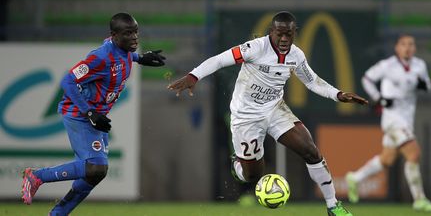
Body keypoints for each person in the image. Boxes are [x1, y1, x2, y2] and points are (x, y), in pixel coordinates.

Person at [168, 11, 368, 216]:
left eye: (288, 34)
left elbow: (311, 81)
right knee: (252, 175)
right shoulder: (255, 48)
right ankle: (237, 165)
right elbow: (219, 60)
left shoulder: (296, 55)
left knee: (311, 151)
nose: (283, 39)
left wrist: (338, 94)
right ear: (271, 32)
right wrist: (194, 76)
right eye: (279, 34)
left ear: (294, 33)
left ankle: (333, 206)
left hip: (275, 109)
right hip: (246, 117)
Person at [20, 12, 166, 216]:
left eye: (135, 32)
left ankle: (57, 214)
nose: (134, 37)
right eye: (128, 33)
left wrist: (140, 58)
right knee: (95, 168)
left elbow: (123, 56)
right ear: (114, 35)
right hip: (79, 113)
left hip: (96, 115)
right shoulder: (100, 57)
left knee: (96, 173)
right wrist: (89, 112)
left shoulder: (122, 50)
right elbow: (68, 80)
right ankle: (36, 177)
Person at [345, 34, 431, 211]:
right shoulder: (387, 65)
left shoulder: (419, 66)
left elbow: (428, 85)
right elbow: (367, 78)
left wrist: (425, 86)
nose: (407, 47)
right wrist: (379, 99)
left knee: (387, 159)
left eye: (410, 44)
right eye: (403, 44)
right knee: (414, 154)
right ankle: (419, 199)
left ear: (414, 48)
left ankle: (355, 178)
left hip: (407, 119)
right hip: (392, 119)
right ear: (397, 48)